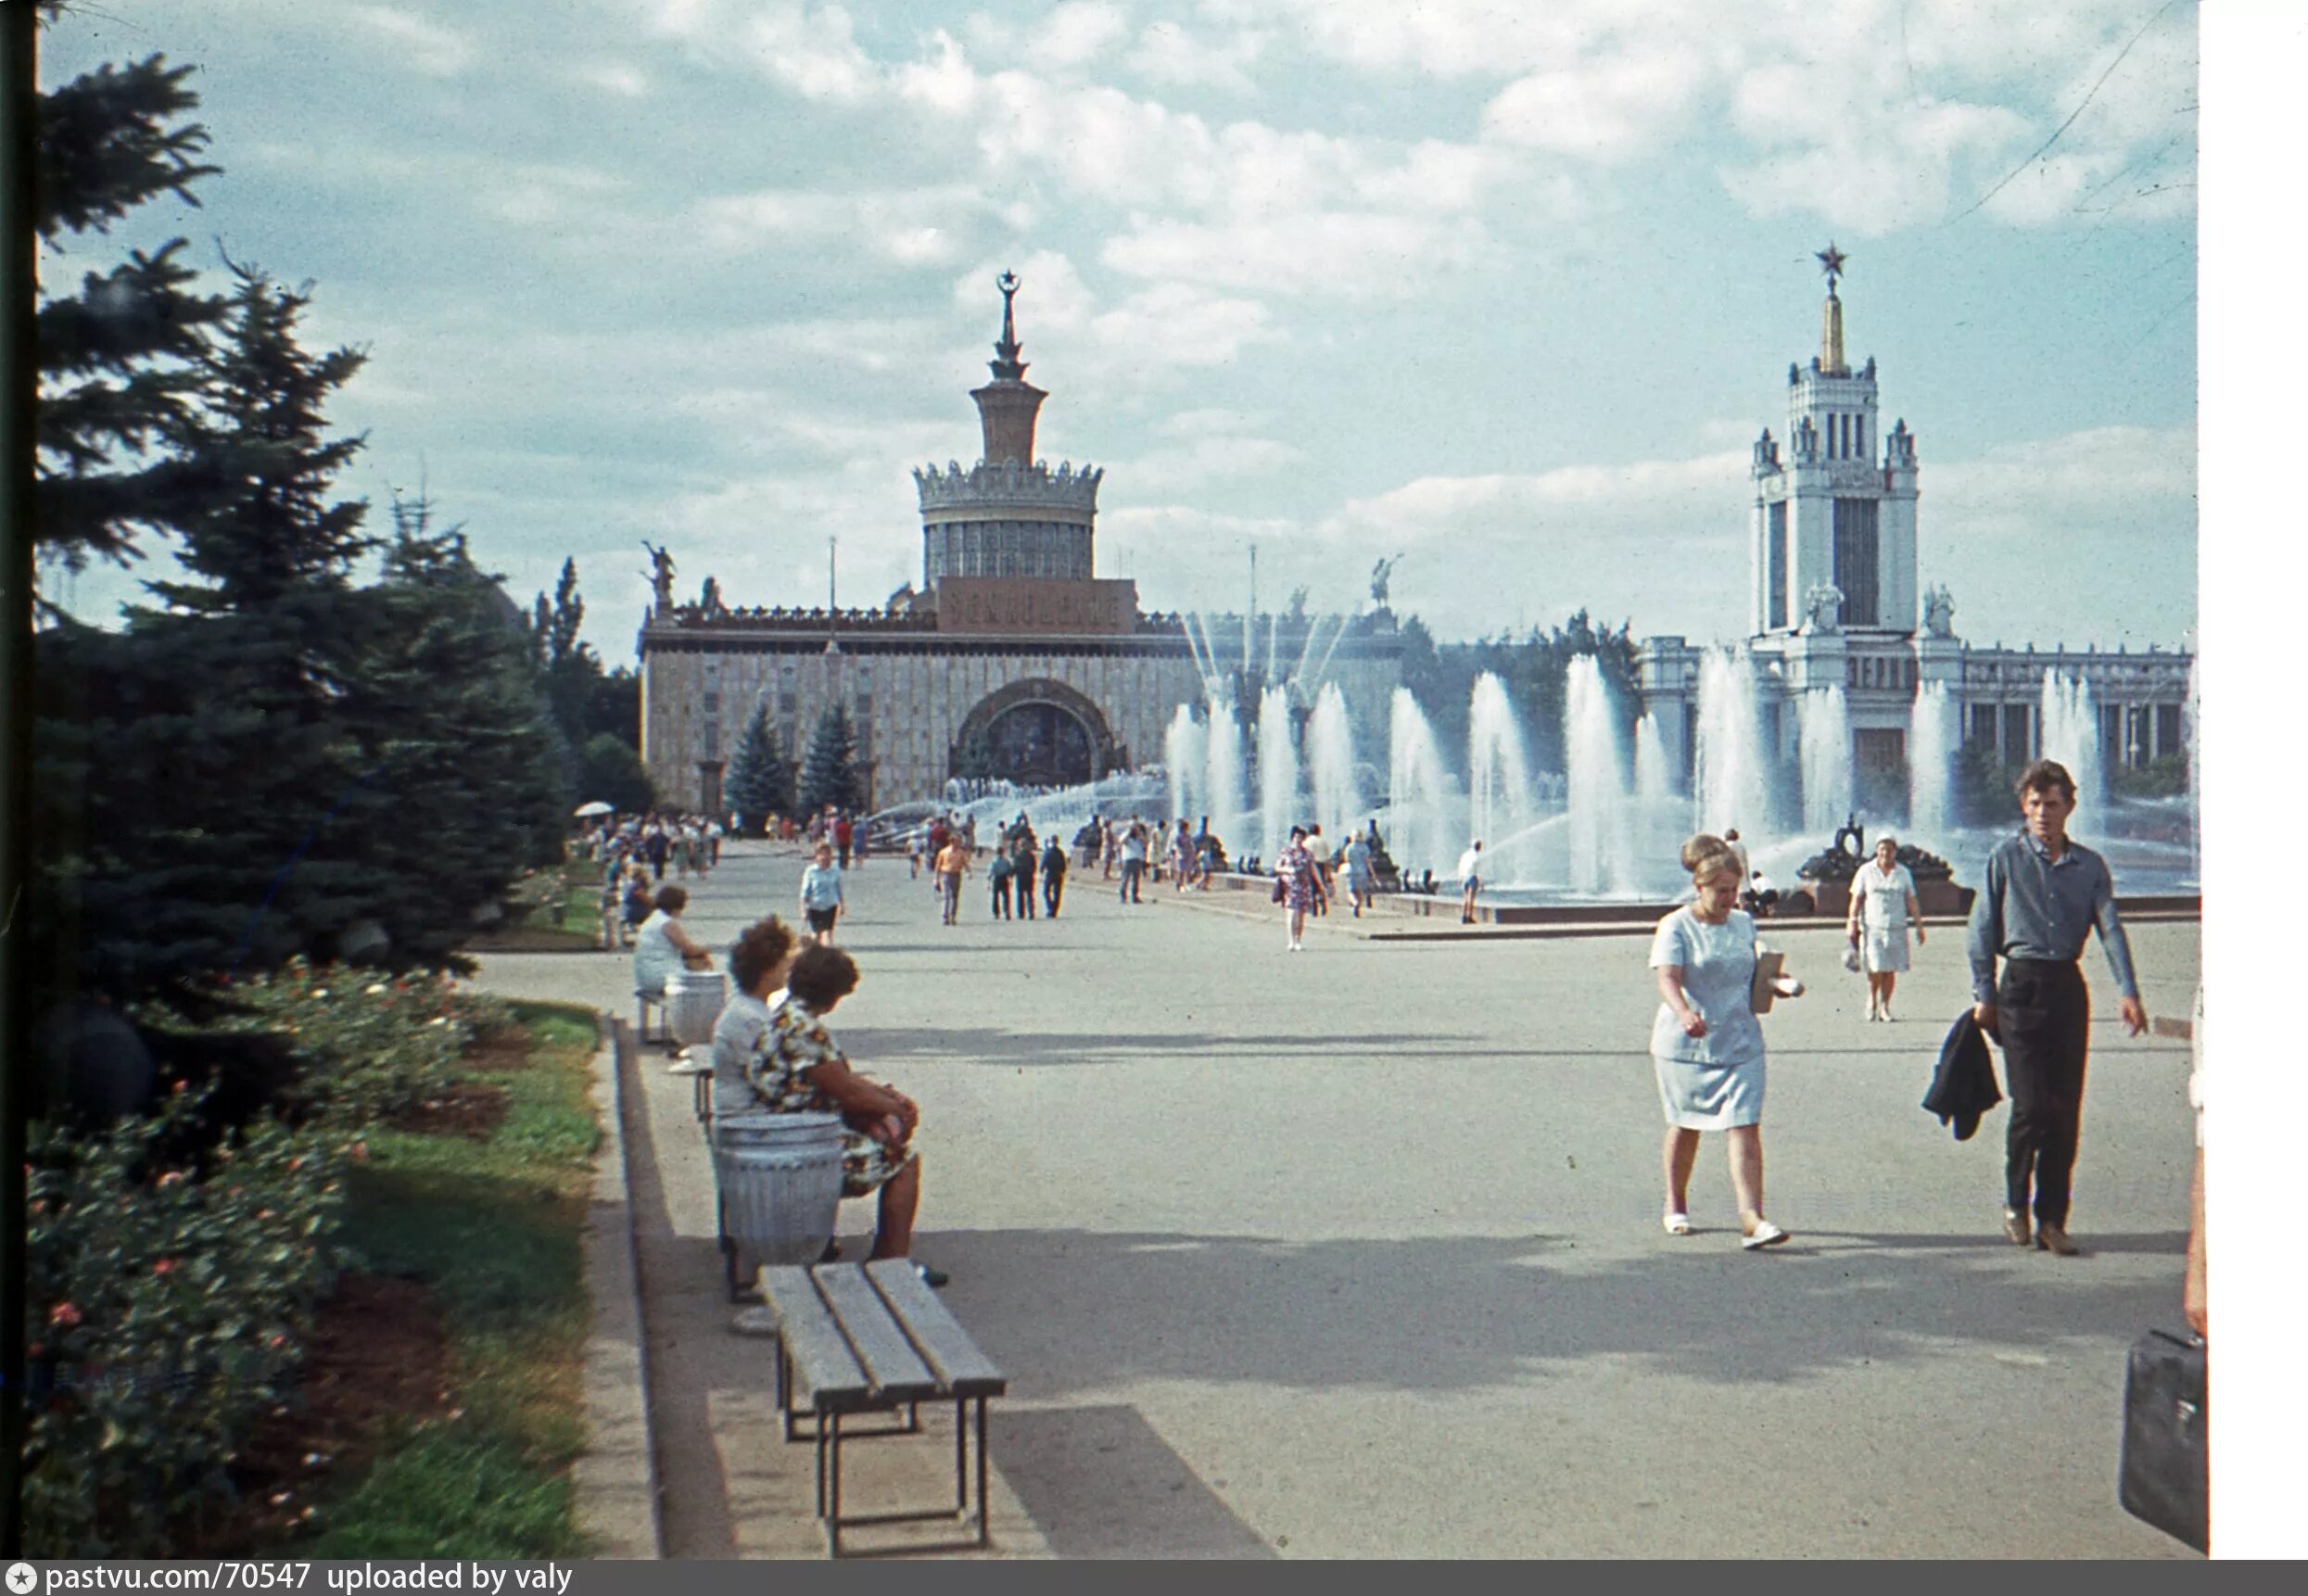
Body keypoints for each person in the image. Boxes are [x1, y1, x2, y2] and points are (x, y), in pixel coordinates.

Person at [1966, 759, 2149, 1257]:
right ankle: (2015, 1202)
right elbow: (1980, 931)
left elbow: (2109, 928)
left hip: (2067, 985)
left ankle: (2052, 1218)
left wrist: (2127, 990)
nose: (2043, 813)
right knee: (2030, 1105)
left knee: (2065, 1110)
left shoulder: (2089, 866)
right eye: (2034, 804)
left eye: (2052, 803)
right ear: (2022, 808)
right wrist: (1984, 995)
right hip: (2020, 987)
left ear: (2069, 806)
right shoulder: (2004, 859)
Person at [751, 945, 945, 1285]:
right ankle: (891, 1262)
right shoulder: (805, 1030)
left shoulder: (787, 1017)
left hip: (783, 1134)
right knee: (903, 1160)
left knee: (883, 1132)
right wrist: (895, 1108)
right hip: (805, 1143)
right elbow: (847, 1091)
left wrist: (884, 1096)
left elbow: (838, 1078)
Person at [1649, 833, 1798, 1249]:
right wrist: (1683, 1012)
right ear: (1699, 888)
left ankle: (1752, 1218)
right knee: (1686, 1123)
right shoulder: (1676, 925)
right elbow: (1667, 977)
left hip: (1740, 1039)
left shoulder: (1743, 923)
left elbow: (1757, 972)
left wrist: (1779, 983)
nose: (1730, 898)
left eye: (1734, 891)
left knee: (1745, 1124)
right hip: (1686, 1044)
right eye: (1721, 891)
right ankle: (1675, 1202)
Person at [710, 916, 800, 1120]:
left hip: (754, 1111)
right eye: (785, 964)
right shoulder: (748, 1018)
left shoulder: (748, 1007)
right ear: (767, 972)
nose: (788, 971)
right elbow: (773, 1081)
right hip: (747, 1117)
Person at [1846, 835, 1924, 1021]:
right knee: (1875, 967)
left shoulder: (1903, 872)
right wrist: (1852, 921)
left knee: (1890, 969)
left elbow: (1911, 900)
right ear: (1877, 850)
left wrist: (1919, 925)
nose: (1885, 853)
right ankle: (1872, 999)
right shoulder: (1866, 871)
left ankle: (1885, 1007)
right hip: (1872, 926)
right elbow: (1856, 899)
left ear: (1895, 851)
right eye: (1882, 849)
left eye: (1889, 849)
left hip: (1896, 926)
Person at [633, 884, 715, 1051]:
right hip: (661, 975)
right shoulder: (668, 923)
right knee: (702, 988)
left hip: (647, 974)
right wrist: (706, 950)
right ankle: (691, 1036)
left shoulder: (653, 919)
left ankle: (688, 1034)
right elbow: (689, 949)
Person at [1274, 825, 1322, 952]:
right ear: (1292, 837)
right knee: (1291, 914)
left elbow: (1313, 869)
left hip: (1304, 886)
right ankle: (1291, 941)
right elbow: (1277, 867)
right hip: (1290, 886)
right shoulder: (1286, 851)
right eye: (1297, 837)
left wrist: (1321, 884)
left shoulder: (1307, 853)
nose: (1299, 839)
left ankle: (1298, 940)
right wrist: (1287, 870)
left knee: (1301, 915)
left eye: (1301, 837)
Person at [799, 842, 845, 944]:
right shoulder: (810, 871)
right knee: (816, 935)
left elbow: (839, 889)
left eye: (828, 854)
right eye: (822, 854)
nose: (825, 857)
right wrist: (803, 910)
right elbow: (805, 892)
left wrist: (842, 905)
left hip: (830, 905)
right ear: (817, 856)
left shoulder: (835, 871)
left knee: (829, 935)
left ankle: (830, 955)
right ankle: (816, 955)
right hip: (815, 906)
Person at [934, 830, 970, 926]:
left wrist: (968, 872)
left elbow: (965, 863)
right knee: (946, 895)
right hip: (947, 873)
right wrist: (936, 878)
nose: (959, 843)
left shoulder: (961, 852)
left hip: (956, 874)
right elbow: (938, 865)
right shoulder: (944, 852)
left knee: (955, 896)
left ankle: (953, 916)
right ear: (952, 841)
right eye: (958, 841)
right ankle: (945, 916)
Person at [1344, 830, 1376, 918]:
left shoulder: (1349, 847)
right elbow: (1368, 861)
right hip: (1362, 871)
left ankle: (1354, 902)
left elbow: (1347, 859)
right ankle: (1359, 905)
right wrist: (1372, 873)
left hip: (1352, 870)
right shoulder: (1365, 847)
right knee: (1360, 891)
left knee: (1350, 891)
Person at [1010, 835, 1038, 919]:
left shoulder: (1018, 856)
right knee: (1030, 895)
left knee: (1020, 896)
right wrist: (1032, 872)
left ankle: (1021, 913)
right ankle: (1031, 913)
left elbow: (1015, 867)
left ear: (1020, 846)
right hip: (1029, 877)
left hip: (1020, 877)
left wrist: (1011, 874)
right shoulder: (1031, 855)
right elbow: (1034, 866)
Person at [1456, 839, 1484, 924]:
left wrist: (1460, 878)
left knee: (1466, 898)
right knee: (1471, 899)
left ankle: (1464, 916)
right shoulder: (1477, 856)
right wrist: (1482, 883)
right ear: (1478, 846)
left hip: (1465, 877)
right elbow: (1478, 870)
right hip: (1472, 877)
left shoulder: (1465, 855)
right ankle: (1470, 917)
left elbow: (1460, 866)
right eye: (1480, 846)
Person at [1119, 822, 1147, 903]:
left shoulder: (1138, 839)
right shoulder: (1127, 837)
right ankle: (1123, 897)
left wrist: (1140, 835)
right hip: (1128, 860)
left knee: (1136, 880)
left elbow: (1146, 842)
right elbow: (1122, 841)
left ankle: (1135, 897)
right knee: (1125, 879)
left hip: (1137, 860)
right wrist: (1129, 831)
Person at [1041, 834, 1067, 918]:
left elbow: (1044, 862)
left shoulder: (1048, 852)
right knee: (1057, 893)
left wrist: (1041, 870)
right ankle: (1054, 910)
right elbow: (1064, 864)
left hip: (1050, 873)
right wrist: (1062, 871)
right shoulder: (1060, 852)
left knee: (1046, 891)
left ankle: (1050, 907)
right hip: (1058, 874)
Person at [987, 843, 1014, 919]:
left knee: (995, 896)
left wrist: (988, 883)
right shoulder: (1006, 861)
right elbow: (1010, 871)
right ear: (1003, 852)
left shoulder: (994, 862)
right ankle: (1007, 911)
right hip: (1004, 878)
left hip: (996, 879)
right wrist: (1010, 879)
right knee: (1006, 896)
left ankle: (996, 913)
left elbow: (991, 872)